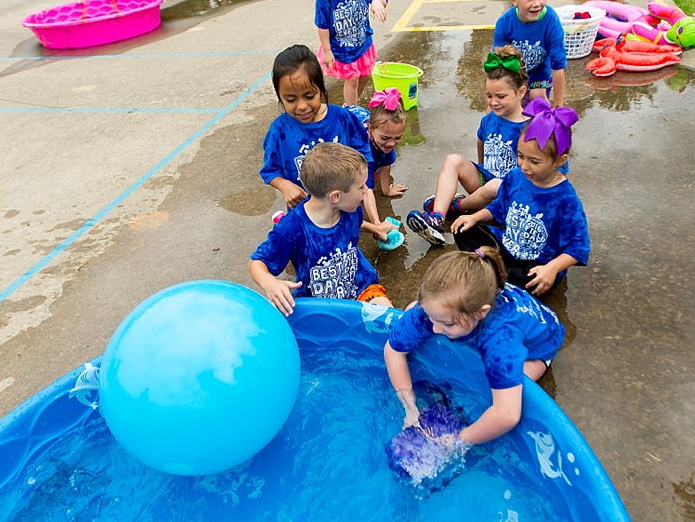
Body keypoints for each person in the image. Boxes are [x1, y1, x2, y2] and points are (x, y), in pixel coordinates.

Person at [384, 248, 565, 448]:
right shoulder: (437, 307)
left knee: (500, 386)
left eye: (447, 324)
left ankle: (540, 362)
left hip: (539, 346)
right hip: (478, 318)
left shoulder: (500, 339)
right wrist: (410, 408)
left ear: (481, 313)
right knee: (413, 314)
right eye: (431, 317)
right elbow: (393, 350)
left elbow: (507, 415)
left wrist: (459, 440)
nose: (435, 327)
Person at [452, 104, 589, 297]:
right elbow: (499, 206)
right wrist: (475, 217)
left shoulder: (566, 198)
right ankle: (498, 271)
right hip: (506, 246)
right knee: (463, 229)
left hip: (538, 261)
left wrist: (552, 268)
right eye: (520, 156)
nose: (524, 166)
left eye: (534, 161)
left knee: (530, 280)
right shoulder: (515, 176)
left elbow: (578, 245)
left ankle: (493, 270)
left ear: (560, 160)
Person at [260, 44, 394, 239]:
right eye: (290, 99)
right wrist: (284, 185)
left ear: (321, 85)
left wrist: (364, 191)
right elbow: (270, 170)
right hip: (306, 216)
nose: (302, 106)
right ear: (280, 96)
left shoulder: (342, 118)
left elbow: (364, 154)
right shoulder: (279, 131)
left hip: (346, 209)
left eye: (309, 95)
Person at [249, 142, 394, 315]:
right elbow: (257, 263)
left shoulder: (351, 211)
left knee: (387, 321)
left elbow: (351, 228)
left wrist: (375, 228)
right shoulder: (291, 230)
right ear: (335, 196)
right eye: (361, 187)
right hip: (318, 303)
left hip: (360, 287)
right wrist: (269, 283)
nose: (366, 191)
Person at [406, 46, 527, 246]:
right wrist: (479, 172)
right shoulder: (489, 119)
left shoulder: (528, 127)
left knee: (496, 185)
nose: (494, 102)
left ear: (521, 92)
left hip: (512, 194)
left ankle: (455, 208)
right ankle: (437, 218)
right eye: (489, 96)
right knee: (453, 160)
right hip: (487, 184)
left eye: (501, 96)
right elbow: (481, 141)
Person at [494, 0, 566, 111]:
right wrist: (495, 97)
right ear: (514, 0)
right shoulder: (505, 23)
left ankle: (544, 127)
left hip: (540, 72)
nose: (537, 3)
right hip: (514, 72)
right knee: (504, 107)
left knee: (537, 97)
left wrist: (558, 107)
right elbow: (497, 64)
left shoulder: (551, 22)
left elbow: (558, 67)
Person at [347, 88, 408, 198]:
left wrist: (387, 191)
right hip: (347, 123)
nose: (391, 143)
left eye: (398, 137)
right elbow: (367, 190)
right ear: (370, 129)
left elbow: (386, 163)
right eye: (385, 138)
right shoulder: (363, 148)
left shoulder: (387, 136)